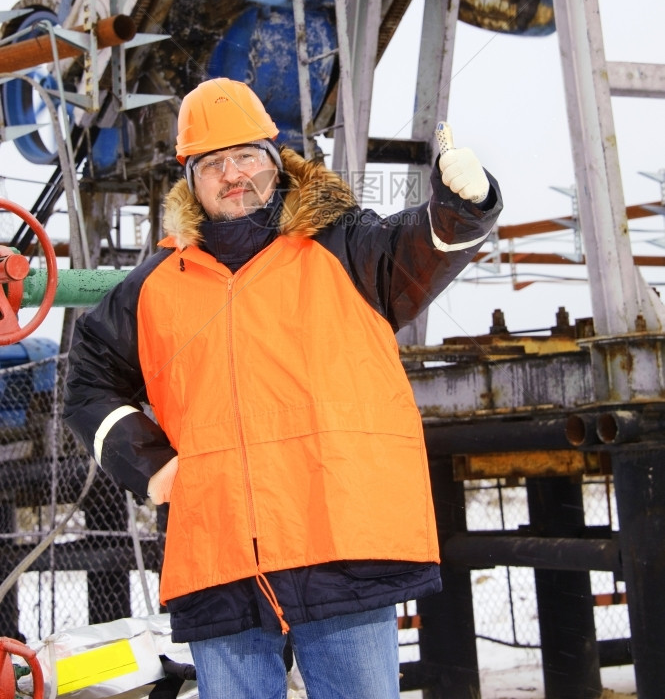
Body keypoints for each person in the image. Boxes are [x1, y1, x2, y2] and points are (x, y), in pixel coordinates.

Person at [63, 77, 502, 699]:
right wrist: (150, 464)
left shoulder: (346, 245)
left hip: (343, 542)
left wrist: (464, 207)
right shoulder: (155, 285)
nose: (231, 174)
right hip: (219, 554)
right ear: (190, 181)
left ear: (276, 162)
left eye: (245, 155)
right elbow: (87, 380)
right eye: (212, 163)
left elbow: (419, 249)